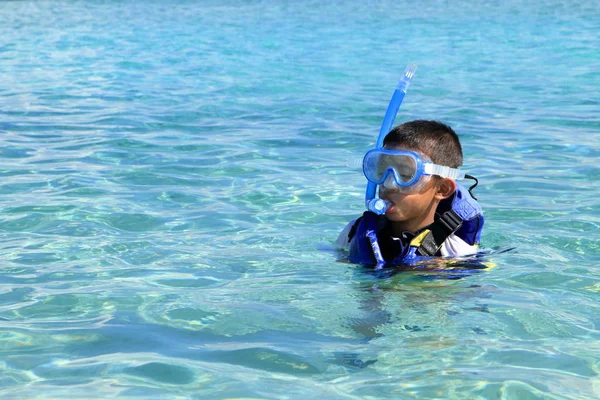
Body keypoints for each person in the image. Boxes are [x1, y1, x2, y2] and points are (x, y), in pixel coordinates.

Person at [336, 120, 484, 267]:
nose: (389, 184)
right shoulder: (354, 233)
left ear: (442, 189)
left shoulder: (456, 253)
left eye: (406, 175)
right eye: (382, 171)